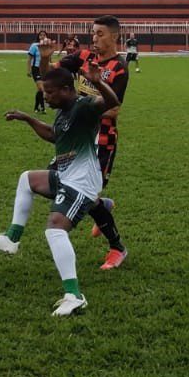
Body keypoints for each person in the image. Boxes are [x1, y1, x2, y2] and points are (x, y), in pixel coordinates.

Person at [0, 64, 120, 317]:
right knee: (27, 179)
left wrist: (98, 82)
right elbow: (54, 135)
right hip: (66, 176)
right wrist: (28, 119)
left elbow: (112, 101)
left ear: (67, 90)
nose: (45, 96)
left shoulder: (83, 107)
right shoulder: (63, 112)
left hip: (81, 183)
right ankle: (12, 239)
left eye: (50, 92)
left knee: (55, 229)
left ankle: (74, 296)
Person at [59, 16, 130, 270]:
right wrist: (44, 60)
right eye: (93, 33)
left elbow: (114, 110)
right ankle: (103, 206)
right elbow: (53, 74)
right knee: (64, 184)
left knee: (84, 193)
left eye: (100, 34)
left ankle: (117, 248)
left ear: (114, 37)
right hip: (77, 137)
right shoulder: (83, 56)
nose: (94, 38)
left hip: (102, 139)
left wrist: (82, 110)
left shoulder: (119, 67)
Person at [26, 31, 50, 113]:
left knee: (40, 89)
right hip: (36, 69)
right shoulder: (34, 46)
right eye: (41, 35)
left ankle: (36, 107)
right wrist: (28, 70)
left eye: (44, 35)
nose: (42, 36)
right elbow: (29, 59)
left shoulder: (47, 46)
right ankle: (43, 108)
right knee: (41, 88)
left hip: (44, 69)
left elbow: (48, 58)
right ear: (38, 37)